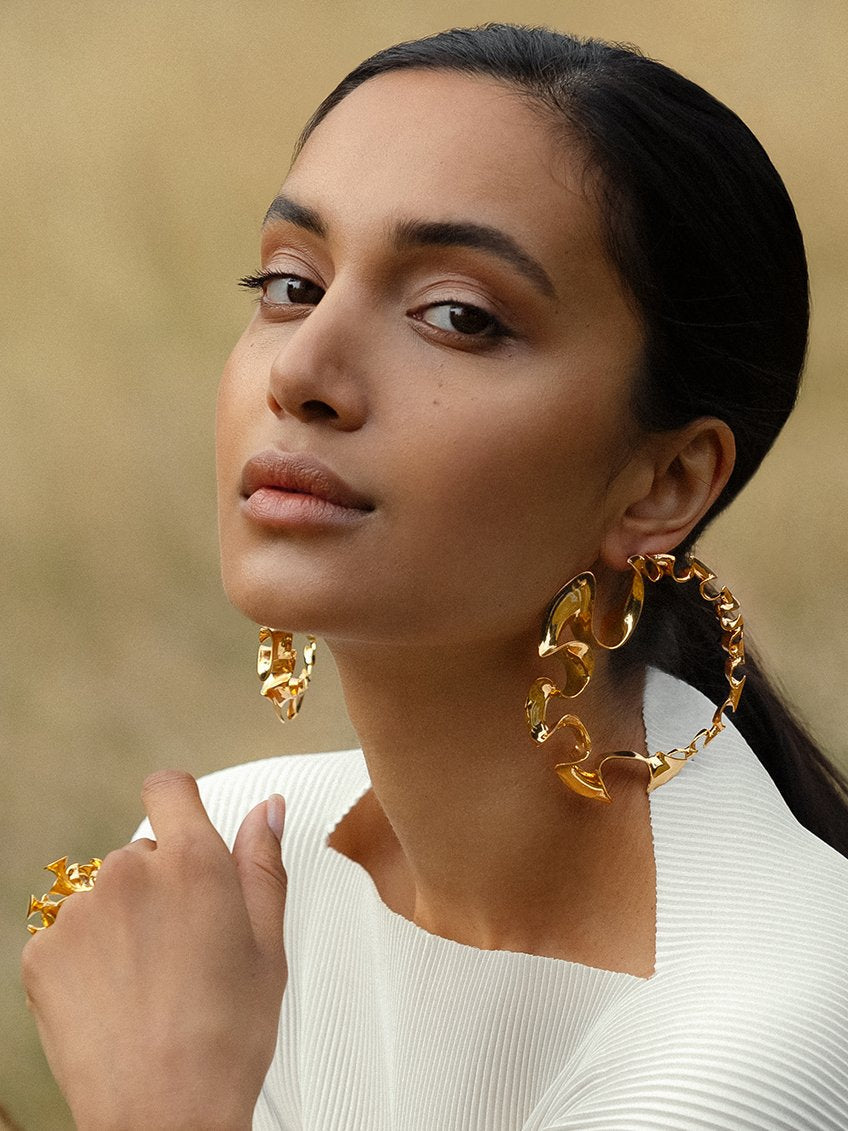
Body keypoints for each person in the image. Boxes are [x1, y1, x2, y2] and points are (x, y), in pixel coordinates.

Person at [21, 23, 848, 1130]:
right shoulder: (235, 875)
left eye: (458, 317)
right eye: (289, 283)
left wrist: (162, 1104)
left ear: (663, 483)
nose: (303, 370)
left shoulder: (757, 1042)